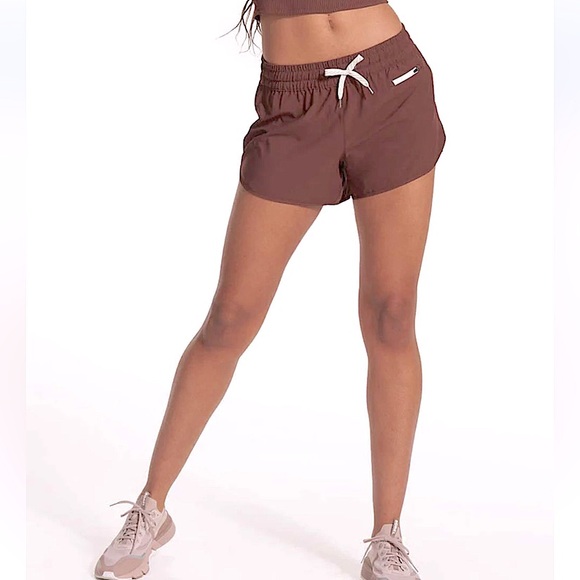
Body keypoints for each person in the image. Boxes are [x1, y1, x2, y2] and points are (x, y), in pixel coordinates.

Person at [93, 1, 447, 579]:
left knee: (392, 312)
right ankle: (151, 508)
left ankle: (388, 536)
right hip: (293, 105)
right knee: (230, 317)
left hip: (391, 86)